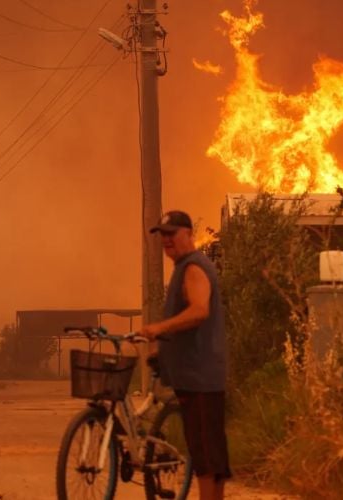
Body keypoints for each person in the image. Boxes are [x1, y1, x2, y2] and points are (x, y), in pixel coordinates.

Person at [140, 210, 230, 500]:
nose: (166, 240)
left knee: (206, 459)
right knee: (209, 454)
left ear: (188, 234)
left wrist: (160, 328)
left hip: (200, 376)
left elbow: (199, 311)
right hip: (195, 376)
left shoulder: (193, 267)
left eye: (172, 233)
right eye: (162, 235)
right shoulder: (184, 267)